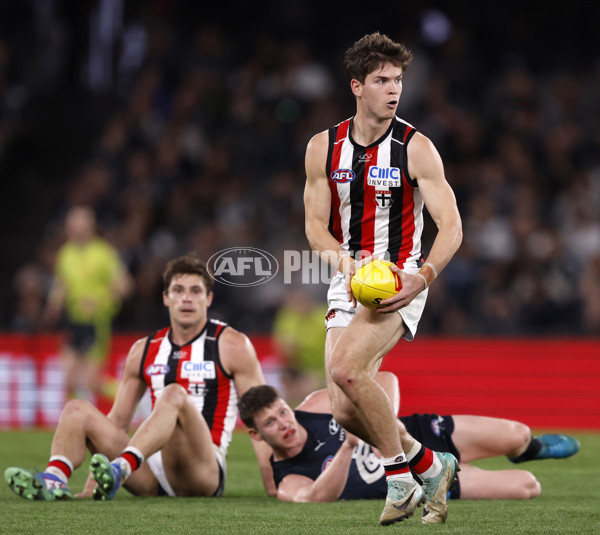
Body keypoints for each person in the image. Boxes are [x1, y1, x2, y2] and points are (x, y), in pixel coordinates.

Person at [303, 33, 463, 524]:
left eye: (398, 80)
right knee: (344, 408)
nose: (393, 89)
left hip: (398, 281)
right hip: (350, 278)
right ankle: (430, 463)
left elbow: (452, 225)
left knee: (349, 371)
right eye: (381, 80)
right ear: (357, 86)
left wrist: (423, 277)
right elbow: (314, 227)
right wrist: (345, 264)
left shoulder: (418, 148)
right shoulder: (322, 148)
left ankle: (398, 476)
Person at [5, 253, 265, 501]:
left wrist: (275, 482)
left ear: (208, 299)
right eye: (178, 290)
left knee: (173, 393)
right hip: (150, 473)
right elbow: (118, 421)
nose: (187, 298)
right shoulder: (144, 349)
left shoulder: (231, 344)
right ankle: (53, 481)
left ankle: (120, 469)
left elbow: (261, 414)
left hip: (203, 472)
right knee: (76, 409)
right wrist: (93, 482)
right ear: (165, 298)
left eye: (195, 291)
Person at [238, 372, 580, 505]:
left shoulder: (313, 405)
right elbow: (314, 498)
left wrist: (381, 433)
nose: (285, 423)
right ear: (255, 434)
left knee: (517, 433)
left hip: (418, 433)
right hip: (425, 477)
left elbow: (384, 380)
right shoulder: (287, 480)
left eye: (283, 411)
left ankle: (527, 449)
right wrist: (349, 446)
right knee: (528, 487)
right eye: (271, 422)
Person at [44, 205, 133, 399]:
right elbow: (62, 283)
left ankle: (131, 398)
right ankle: (74, 423)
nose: (74, 227)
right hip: (72, 320)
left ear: (90, 225)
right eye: (71, 223)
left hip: (96, 322)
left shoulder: (103, 253)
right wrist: (54, 303)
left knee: (90, 381)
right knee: (68, 378)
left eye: (79, 222)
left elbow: (125, 285)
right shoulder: (65, 253)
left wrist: (99, 301)